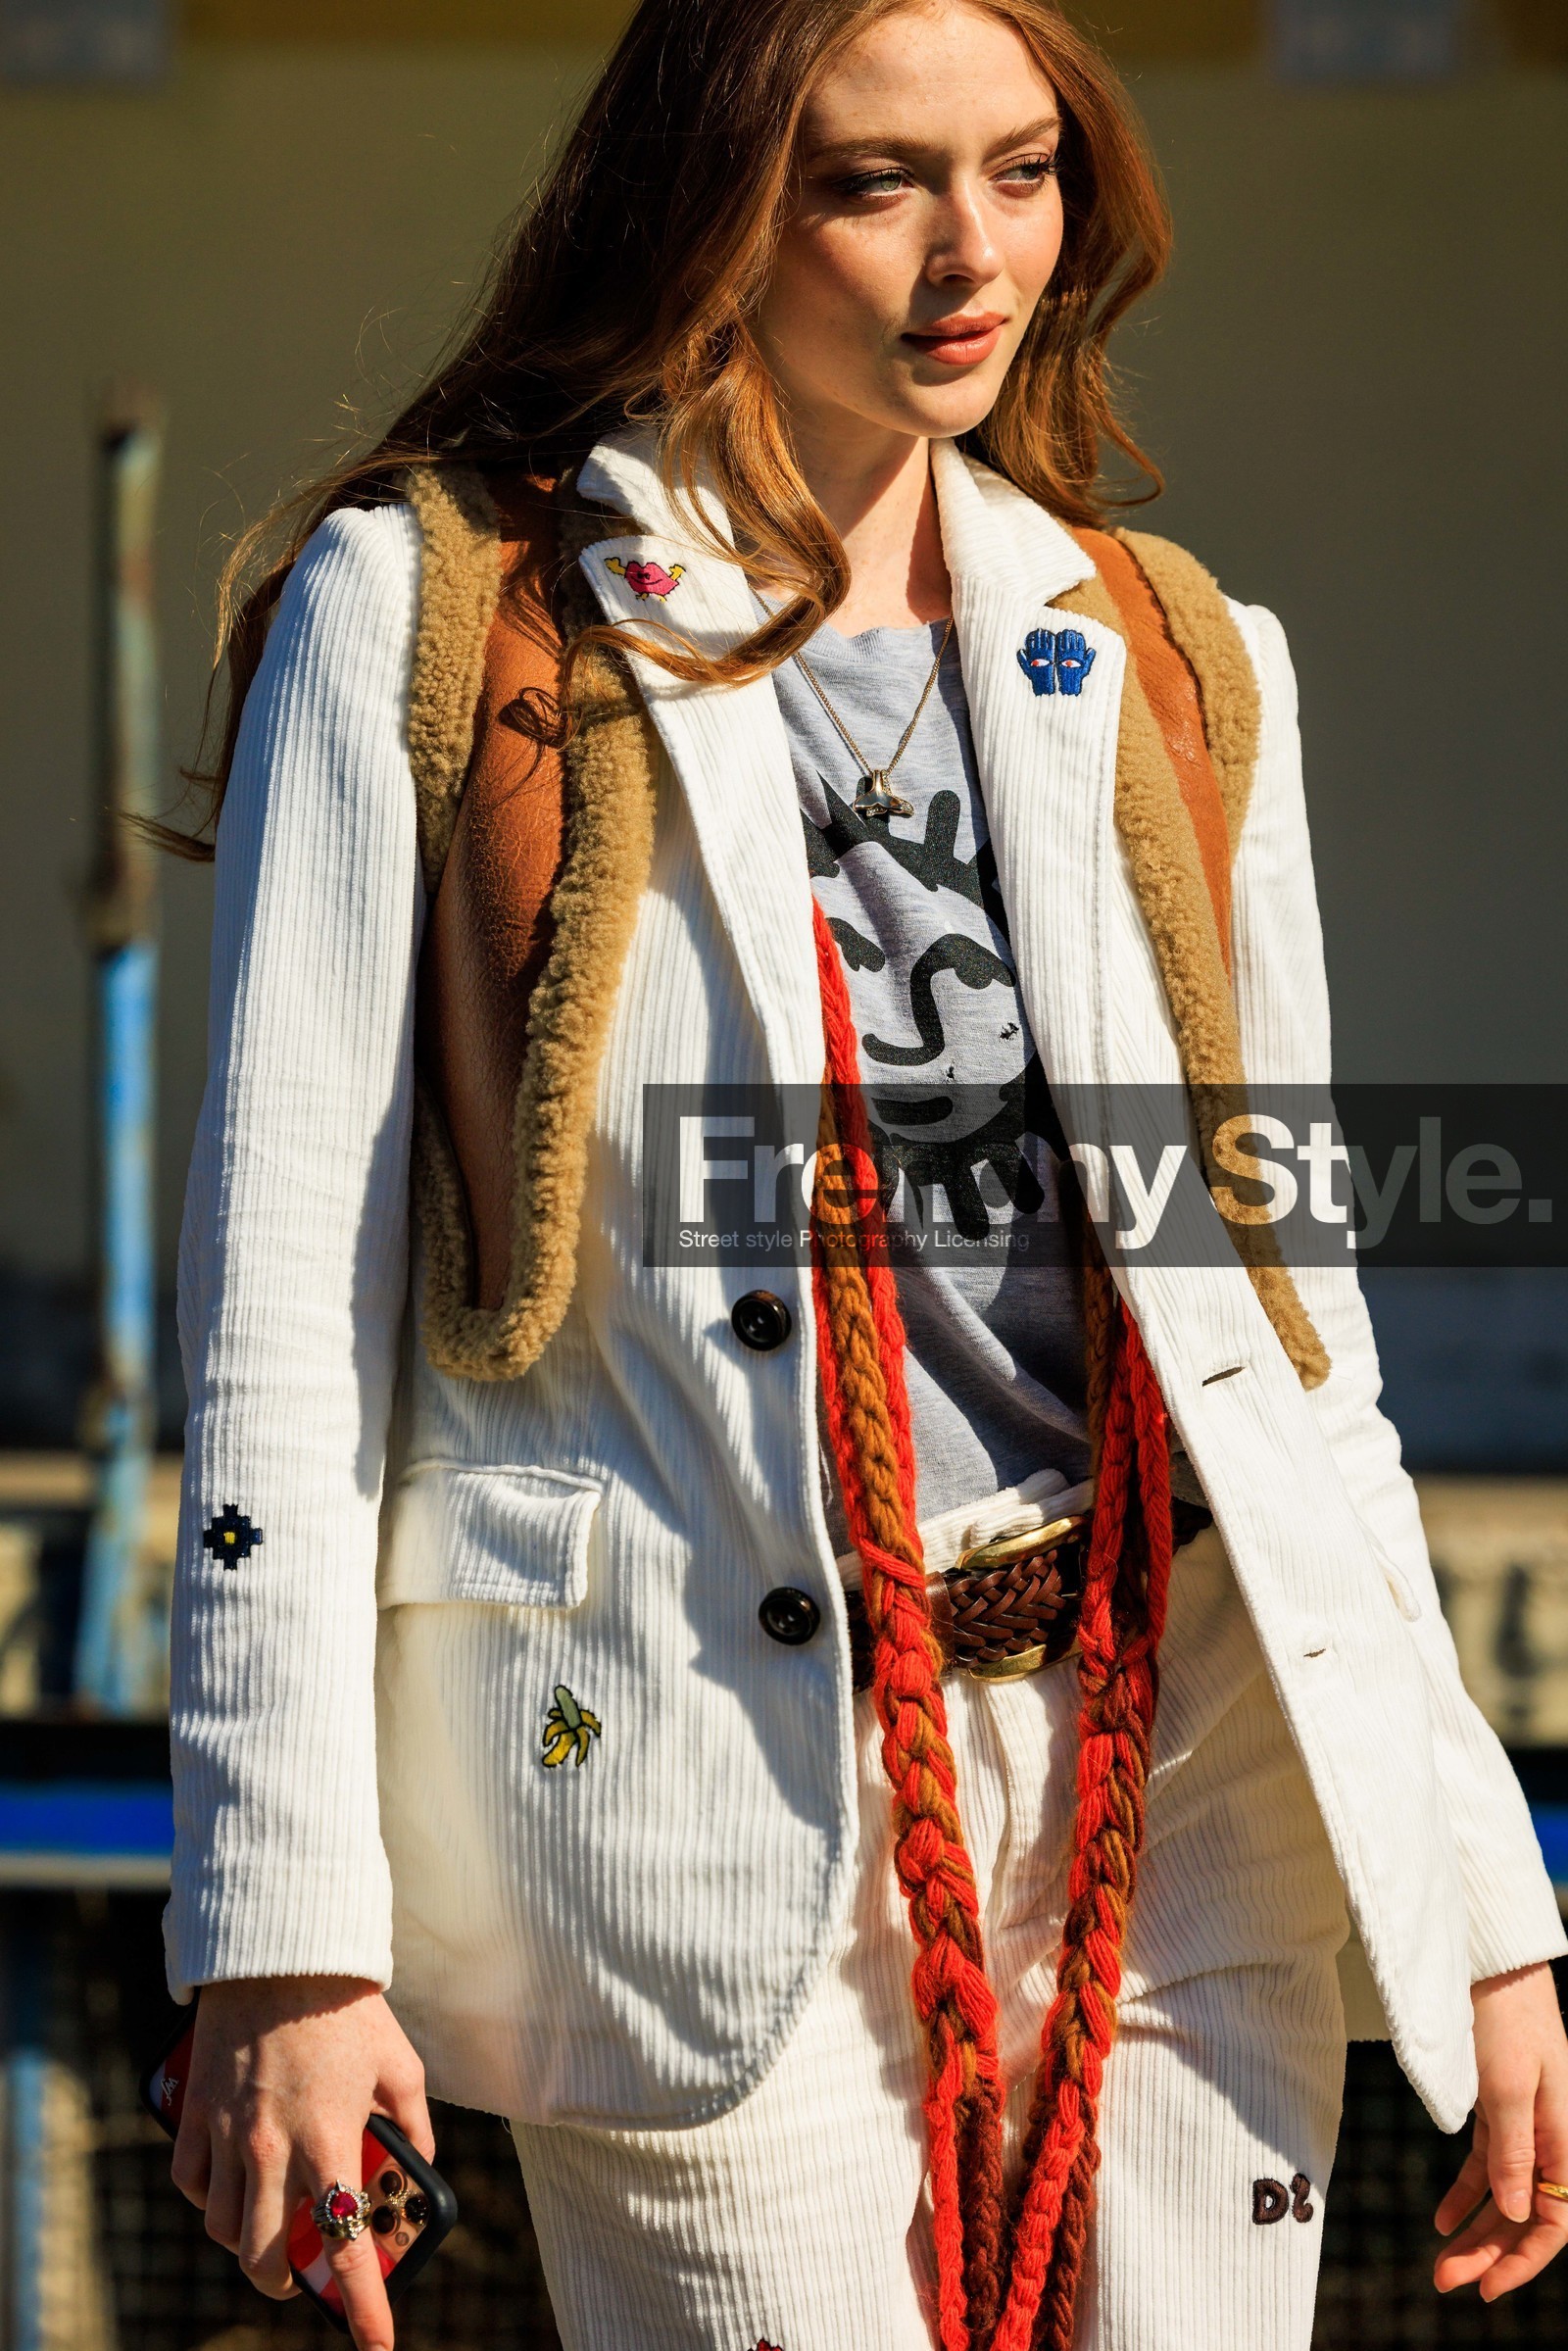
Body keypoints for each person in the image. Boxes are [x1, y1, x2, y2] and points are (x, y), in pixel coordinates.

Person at [161, 3, 1568, 2346]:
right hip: (686, 1791)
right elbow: (281, 1318)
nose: (968, 253)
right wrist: (280, 1930)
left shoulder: (1173, 655)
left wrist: (1483, 1895)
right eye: (870, 181)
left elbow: (1288, 1341)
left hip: (1176, 1756)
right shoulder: (435, 617)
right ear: (708, 206)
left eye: (1020, 171)